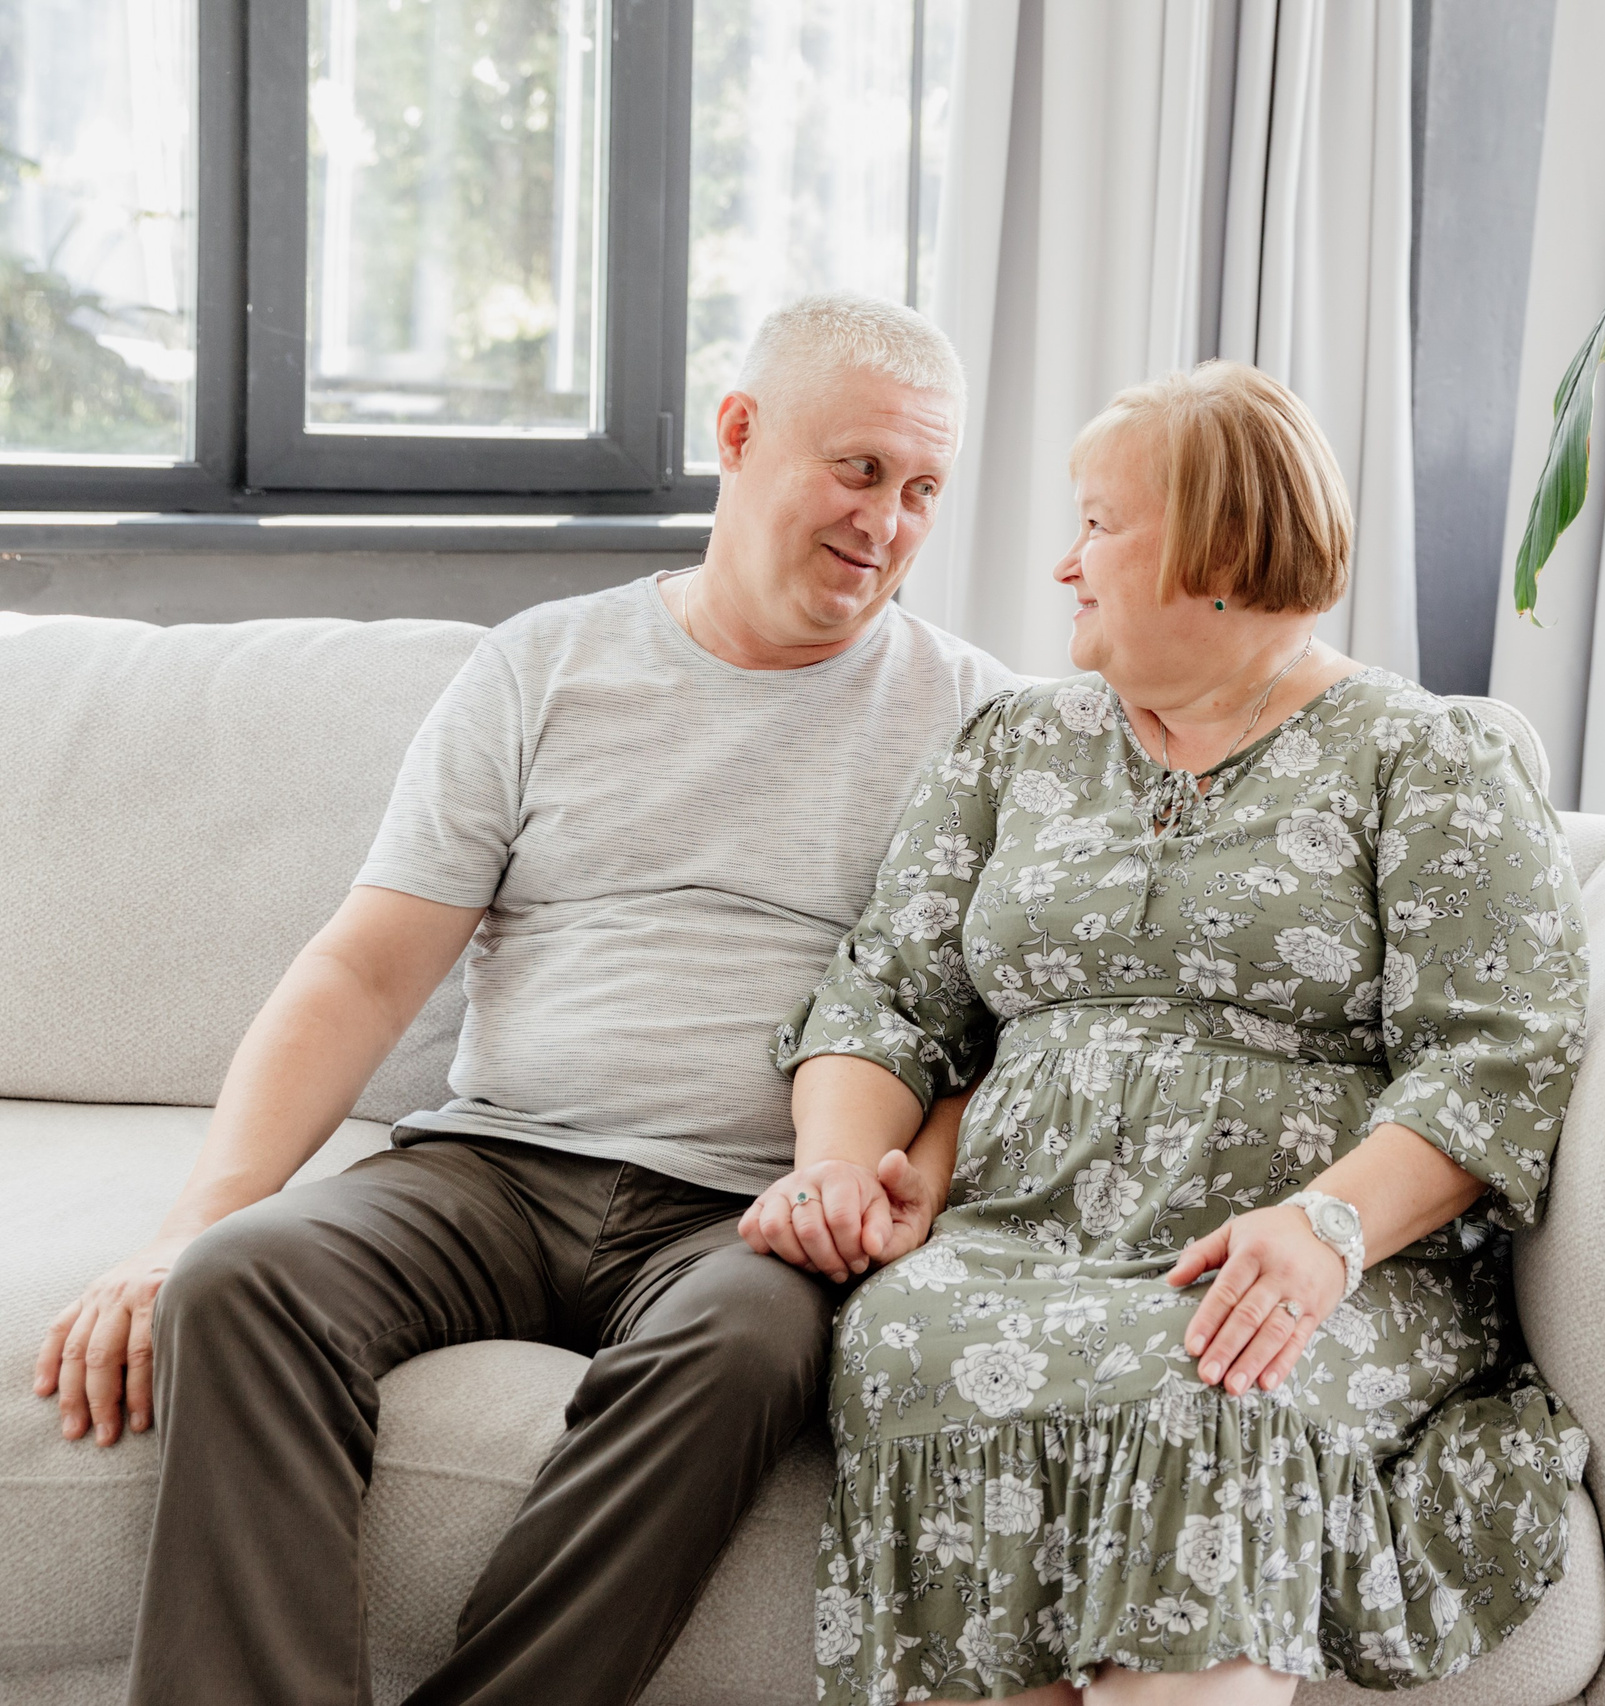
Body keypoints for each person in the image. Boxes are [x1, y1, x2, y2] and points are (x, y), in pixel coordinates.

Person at [29, 292, 1018, 1706]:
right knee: (239, 1284)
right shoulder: (545, 664)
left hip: (741, 1210)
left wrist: (889, 1179)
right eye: (859, 469)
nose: (889, 521)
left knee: (749, 1346)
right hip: (493, 1163)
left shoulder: (981, 720)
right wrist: (186, 1227)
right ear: (740, 434)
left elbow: (1012, 1024)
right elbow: (365, 966)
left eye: (925, 489)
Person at [777, 361, 1592, 1705]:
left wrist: (1327, 1228)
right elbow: (886, 994)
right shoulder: (1015, 745)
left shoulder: (1422, 754)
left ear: (1218, 544)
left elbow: (1502, 1054)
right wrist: (849, 1164)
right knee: (919, 1349)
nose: (1064, 562)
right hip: (1012, 1244)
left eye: (1099, 523)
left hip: (1297, 1264)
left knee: (1215, 1378)